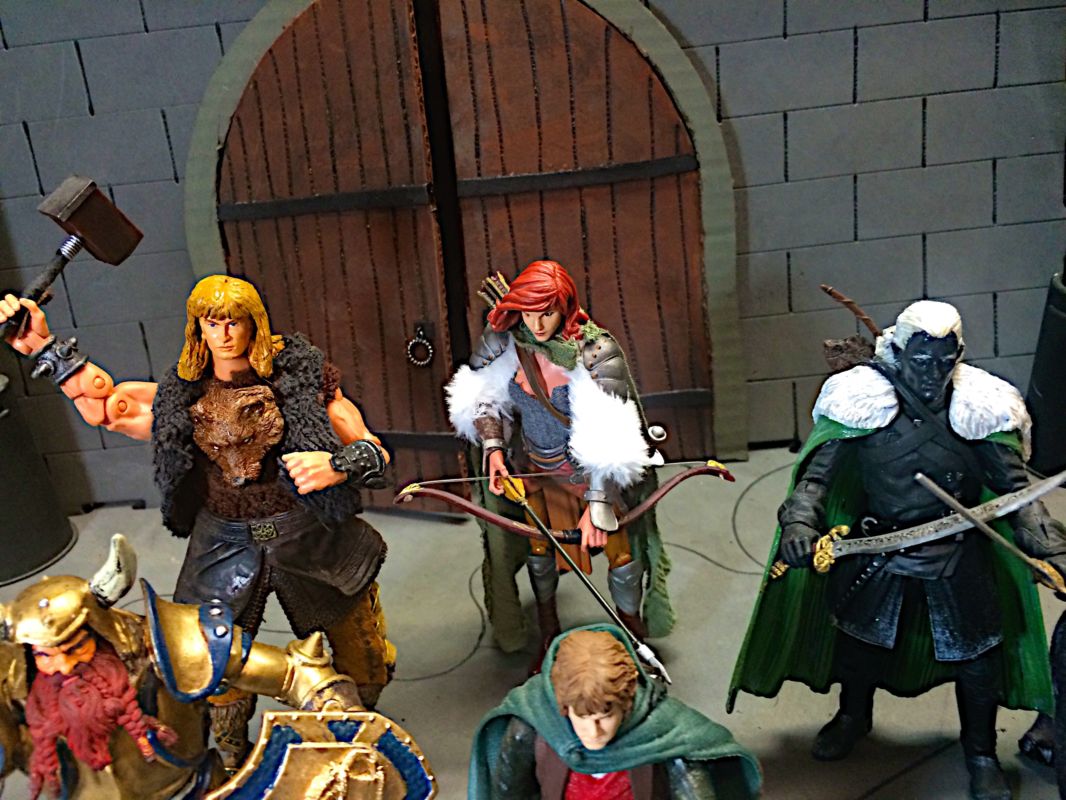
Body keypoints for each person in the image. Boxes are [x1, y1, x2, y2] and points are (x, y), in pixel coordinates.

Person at [0, 275, 395, 765]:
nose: (224, 333)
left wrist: (337, 464)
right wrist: (43, 345)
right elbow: (107, 407)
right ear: (198, 328)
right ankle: (232, 754)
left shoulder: (302, 382)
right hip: (224, 541)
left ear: (254, 323)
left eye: (234, 322)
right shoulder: (183, 394)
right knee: (212, 658)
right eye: (212, 323)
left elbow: (374, 452)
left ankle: (362, 729)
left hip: (306, 531)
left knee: (361, 653)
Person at [729, 300, 1066, 800]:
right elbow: (816, 481)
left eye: (944, 361)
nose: (932, 373)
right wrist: (800, 522)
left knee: (976, 665)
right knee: (859, 649)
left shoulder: (979, 411)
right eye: (922, 360)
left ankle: (980, 752)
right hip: (879, 551)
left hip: (957, 556)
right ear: (900, 352)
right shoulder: (862, 404)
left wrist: (1051, 548)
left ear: (958, 357)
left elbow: (1017, 494)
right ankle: (853, 717)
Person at [0, 535, 433, 800]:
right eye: (45, 655)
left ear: (100, 628)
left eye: (75, 647)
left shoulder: (165, 642)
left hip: (184, 791)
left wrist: (332, 705)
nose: (62, 665)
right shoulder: (15, 682)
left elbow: (290, 671)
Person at [445, 261, 672, 655]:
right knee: (540, 556)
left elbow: (613, 429)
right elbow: (482, 394)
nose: (536, 324)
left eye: (547, 313)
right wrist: (494, 448)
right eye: (528, 313)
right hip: (537, 472)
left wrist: (598, 504)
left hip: (592, 476)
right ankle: (548, 631)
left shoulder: (595, 350)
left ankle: (632, 637)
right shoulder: (504, 341)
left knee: (621, 557)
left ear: (564, 308)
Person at [469, 625, 760, 799]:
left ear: (627, 704)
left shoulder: (664, 735)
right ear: (564, 707)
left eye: (605, 717)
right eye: (583, 718)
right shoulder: (533, 728)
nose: (594, 732)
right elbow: (509, 794)